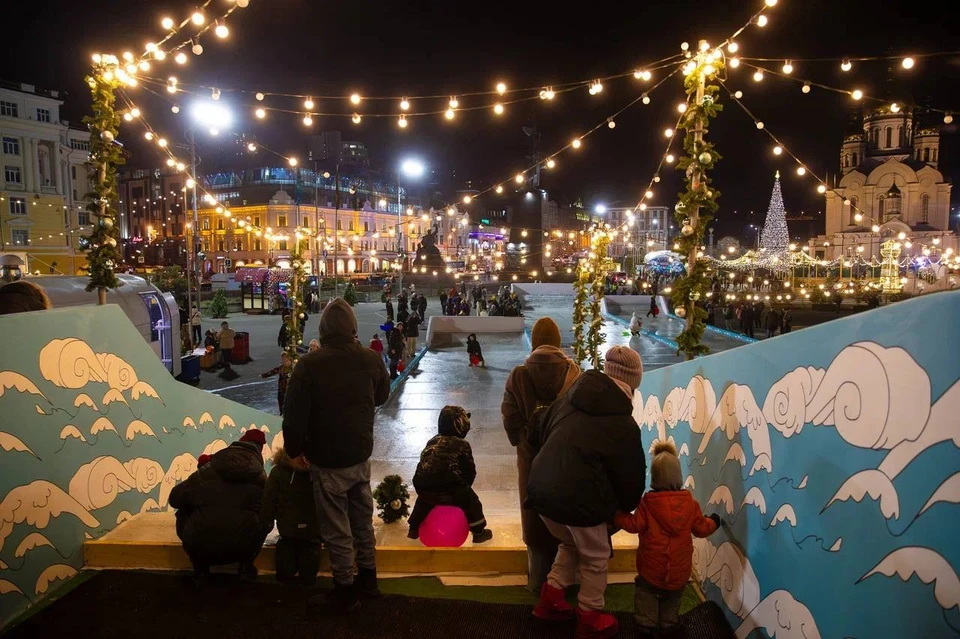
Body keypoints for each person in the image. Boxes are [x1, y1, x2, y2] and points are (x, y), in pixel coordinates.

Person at [527, 346, 646, 639]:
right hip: (576, 500)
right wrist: (620, 510)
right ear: (634, 381)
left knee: (570, 543)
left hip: (541, 492)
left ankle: (551, 599)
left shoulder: (570, 396)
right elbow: (631, 477)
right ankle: (590, 616)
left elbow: (539, 430)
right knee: (596, 556)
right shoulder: (623, 423)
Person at [282, 298, 391, 611]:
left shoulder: (310, 365)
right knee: (361, 519)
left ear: (324, 329)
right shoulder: (370, 358)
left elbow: (294, 414)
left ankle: (344, 589)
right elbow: (383, 395)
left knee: (336, 527)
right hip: (360, 453)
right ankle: (368, 579)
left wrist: (295, 450)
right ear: (352, 327)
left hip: (327, 459)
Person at [501, 317, 580, 592]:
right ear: (558, 341)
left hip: (531, 462)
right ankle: (567, 583)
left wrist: (523, 442)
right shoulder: (573, 374)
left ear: (534, 342)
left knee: (535, 521)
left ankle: (537, 584)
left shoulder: (519, 375)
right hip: (565, 463)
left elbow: (510, 419)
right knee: (564, 522)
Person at [615, 441, 720, 638]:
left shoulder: (647, 504)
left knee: (646, 594)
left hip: (650, 569)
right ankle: (668, 625)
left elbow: (633, 525)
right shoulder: (690, 504)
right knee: (672, 598)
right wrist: (714, 521)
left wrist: (616, 514)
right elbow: (701, 528)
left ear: (654, 477)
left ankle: (646, 626)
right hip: (679, 572)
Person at [169, 429, 269, 581]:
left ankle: (200, 567)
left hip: (199, 546)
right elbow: (268, 517)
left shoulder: (207, 470)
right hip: (241, 548)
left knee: (184, 506)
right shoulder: (261, 479)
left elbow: (175, 498)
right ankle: (246, 565)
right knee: (264, 514)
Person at [407, 406, 493, 544]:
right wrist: (464, 489)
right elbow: (469, 470)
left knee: (423, 500)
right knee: (472, 502)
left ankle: (414, 527)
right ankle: (479, 532)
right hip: (450, 485)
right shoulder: (462, 444)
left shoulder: (432, 441)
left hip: (422, 483)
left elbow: (424, 461)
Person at [260, 447, 322, 585]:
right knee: (293, 576)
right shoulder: (317, 473)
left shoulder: (279, 472)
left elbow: (268, 500)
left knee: (297, 577)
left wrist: (266, 523)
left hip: (301, 534)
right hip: (297, 534)